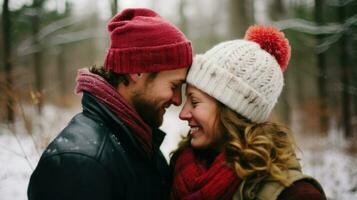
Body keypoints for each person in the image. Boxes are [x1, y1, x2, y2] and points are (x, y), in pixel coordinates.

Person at [28, 8, 192, 200]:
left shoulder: (139, 140)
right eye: (174, 86)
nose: (178, 100)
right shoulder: (80, 163)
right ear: (137, 71)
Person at [170, 25, 326, 200]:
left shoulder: (294, 194)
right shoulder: (179, 167)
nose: (183, 114)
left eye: (195, 102)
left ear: (231, 110)